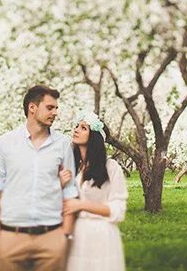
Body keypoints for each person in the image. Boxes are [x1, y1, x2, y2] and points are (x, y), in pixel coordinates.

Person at [0, 84, 78, 271]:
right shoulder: (5, 143)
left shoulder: (63, 144)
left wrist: (65, 235)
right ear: (32, 108)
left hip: (51, 238)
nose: (55, 112)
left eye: (56, 108)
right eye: (50, 107)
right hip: (12, 237)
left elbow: (70, 191)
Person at [61, 112, 128, 271]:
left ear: (94, 137)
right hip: (77, 235)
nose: (76, 129)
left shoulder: (110, 168)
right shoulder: (73, 167)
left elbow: (118, 210)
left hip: (102, 235)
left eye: (83, 128)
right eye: (77, 126)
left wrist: (82, 205)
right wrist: (61, 185)